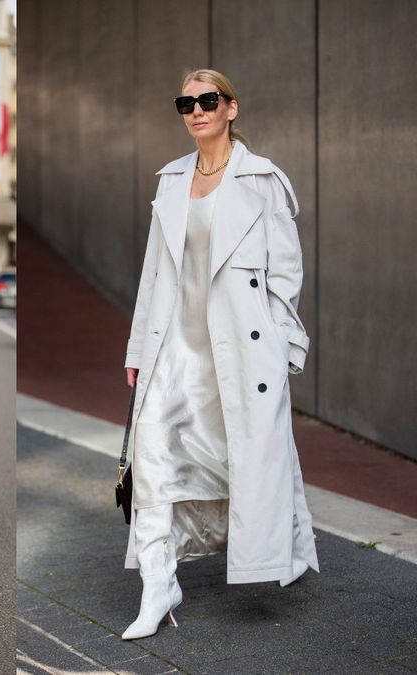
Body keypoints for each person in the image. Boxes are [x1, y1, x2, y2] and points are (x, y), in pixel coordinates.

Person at [121, 69, 318, 640]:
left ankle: (290, 543)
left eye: (208, 100)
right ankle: (158, 584)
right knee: (154, 457)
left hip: (240, 348)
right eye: (186, 102)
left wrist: (283, 348)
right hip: (174, 347)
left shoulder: (263, 181)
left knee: (254, 456)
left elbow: (287, 276)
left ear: (231, 107)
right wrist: (138, 346)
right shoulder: (172, 179)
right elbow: (154, 273)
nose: (197, 110)